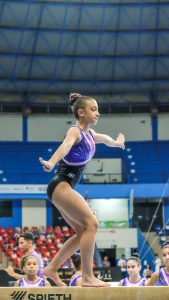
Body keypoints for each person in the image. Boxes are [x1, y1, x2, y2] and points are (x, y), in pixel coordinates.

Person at [39, 92, 125, 287]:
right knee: (92, 224)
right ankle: (87, 276)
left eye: (97, 109)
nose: (98, 113)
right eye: (94, 109)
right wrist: (52, 162)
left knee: (82, 233)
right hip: (61, 184)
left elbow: (107, 140)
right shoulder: (75, 131)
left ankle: (51, 268)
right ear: (81, 112)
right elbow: (65, 145)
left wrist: (117, 143)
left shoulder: (91, 134)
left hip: (62, 188)